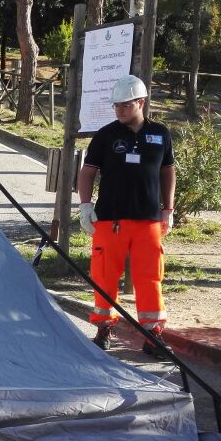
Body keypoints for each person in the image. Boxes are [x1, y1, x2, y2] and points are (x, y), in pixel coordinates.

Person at [76, 75, 177, 355]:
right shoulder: (106, 135)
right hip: (110, 219)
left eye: (124, 105)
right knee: (105, 277)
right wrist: (85, 205)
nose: (119, 110)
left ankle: (153, 335)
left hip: (149, 220)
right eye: (116, 105)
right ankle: (103, 329)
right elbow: (87, 172)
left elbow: (168, 171)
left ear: (140, 103)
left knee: (150, 278)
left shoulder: (160, 134)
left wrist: (168, 209)